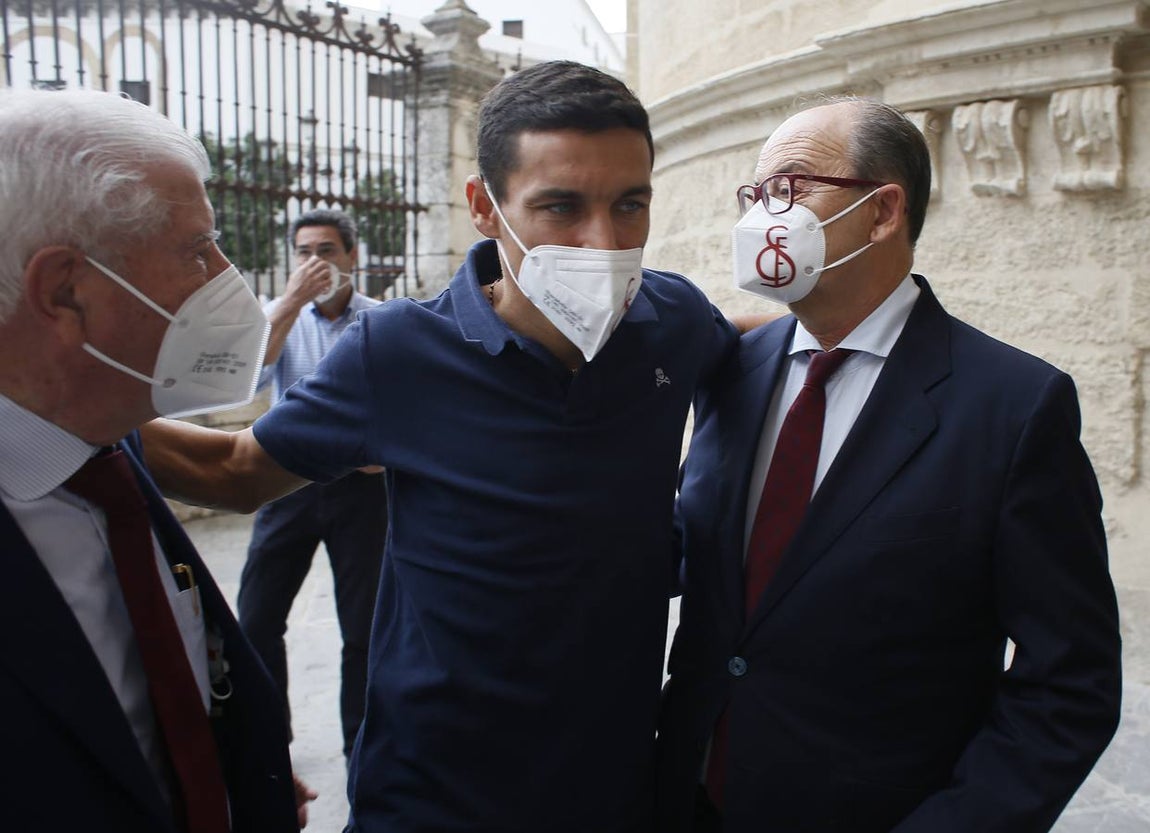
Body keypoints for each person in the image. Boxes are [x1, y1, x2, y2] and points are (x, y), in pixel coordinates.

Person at [141, 60, 742, 832]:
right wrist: (59, 403)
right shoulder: (397, 351)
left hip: (616, 784)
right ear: (484, 207)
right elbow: (233, 470)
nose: (602, 242)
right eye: (560, 206)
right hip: (432, 791)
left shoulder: (676, 321)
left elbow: (756, 356)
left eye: (631, 204)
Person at [656, 98, 1122, 833]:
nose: (760, 217)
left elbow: (1070, 682)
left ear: (882, 211)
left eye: (790, 188)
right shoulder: (731, 370)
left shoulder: (1015, 407)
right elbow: (691, 556)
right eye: (754, 195)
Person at [0, 88, 315, 831]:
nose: (225, 278)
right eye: (197, 247)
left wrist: (231, 770)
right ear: (67, 290)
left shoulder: (108, 438)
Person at [238, 207, 387, 761]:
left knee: (365, 628)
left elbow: (404, 402)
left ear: (352, 256)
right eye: (303, 252)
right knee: (255, 619)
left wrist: (384, 454)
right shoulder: (276, 316)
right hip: (285, 485)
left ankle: (363, 747)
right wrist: (292, 301)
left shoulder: (380, 320)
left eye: (327, 250)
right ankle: (268, 743)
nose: (315, 262)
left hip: (360, 490)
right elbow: (249, 380)